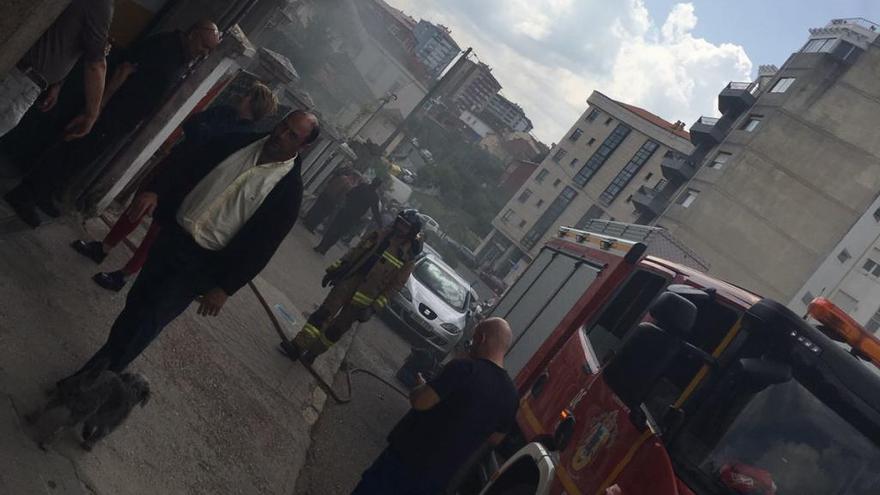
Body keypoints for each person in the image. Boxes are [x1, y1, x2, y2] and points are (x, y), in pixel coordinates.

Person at [61, 110, 320, 377]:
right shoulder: (236, 142)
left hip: (202, 265)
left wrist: (225, 288)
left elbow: (263, 247)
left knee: (149, 320)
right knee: (136, 306)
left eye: (292, 135)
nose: (280, 134)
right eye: (283, 125)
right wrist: (156, 191)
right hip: (172, 238)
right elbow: (186, 163)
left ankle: (92, 379)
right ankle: (103, 369)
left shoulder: (288, 191)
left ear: (304, 146)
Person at [3, 20, 222, 228]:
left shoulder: (183, 59)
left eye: (209, 50)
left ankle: (44, 193)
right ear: (193, 34)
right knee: (70, 151)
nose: (204, 52)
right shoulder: (165, 44)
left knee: (80, 159)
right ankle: (26, 193)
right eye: (204, 45)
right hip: (111, 111)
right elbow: (124, 69)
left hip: (124, 119)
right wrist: (99, 106)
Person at [69, 83, 279, 292]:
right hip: (173, 163)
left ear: (254, 103)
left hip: (190, 183)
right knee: (137, 207)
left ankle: (124, 275)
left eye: (247, 95)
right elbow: (192, 125)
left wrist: (204, 136)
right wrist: (204, 137)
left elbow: (208, 148)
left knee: (158, 230)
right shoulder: (223, 112)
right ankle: (103, 248)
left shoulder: (244, 136)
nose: (241, 96)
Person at [351, 317, 519, 495]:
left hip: (406, 460)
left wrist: (420, 386)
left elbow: (420, 402)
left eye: (473, 339)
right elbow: (494, 439)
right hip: (438, 479)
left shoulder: (464, 369)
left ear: (482, 339)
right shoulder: (511, 396)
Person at [282, 209, 423, 364]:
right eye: (400, 222)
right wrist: (334, 269)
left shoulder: (407, 258)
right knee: (322, 315)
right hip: (349, 281)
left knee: (336, 330)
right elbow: (355, 252)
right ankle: (297, 346)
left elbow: (394, 287)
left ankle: (313, 354)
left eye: (406, 226)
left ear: (412, 231)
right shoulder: (380, 234)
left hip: (365, 300)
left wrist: (373, 308)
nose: (401, 227)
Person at [0, 0, 113, 139]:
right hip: (19, 80)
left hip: (25, 79)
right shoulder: (100, 4)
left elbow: (64, 30)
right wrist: (92, 115)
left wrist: (57, 83)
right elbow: (96, 65)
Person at [314, 178, 383, 254]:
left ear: (373, 181)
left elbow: (349, 193)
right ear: (378, 186)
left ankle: (321, 246)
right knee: (339, 233)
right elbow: (375, 211)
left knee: (332, 229)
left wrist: (347, 203)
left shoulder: (363, 186)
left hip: (345, 211)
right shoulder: (374, 197)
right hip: (353, 218)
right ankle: (325, 249)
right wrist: (380, 225)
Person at [303, 166, 360, 233]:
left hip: (326, 193)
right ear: (355, 177)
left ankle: (307, 220)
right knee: (322, 214)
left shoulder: (342, 177)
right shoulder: (349, 185)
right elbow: (342, 195)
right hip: (332, 200)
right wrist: (338, 203)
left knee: (316, 208)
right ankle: (311, 225)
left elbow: (331, 183)